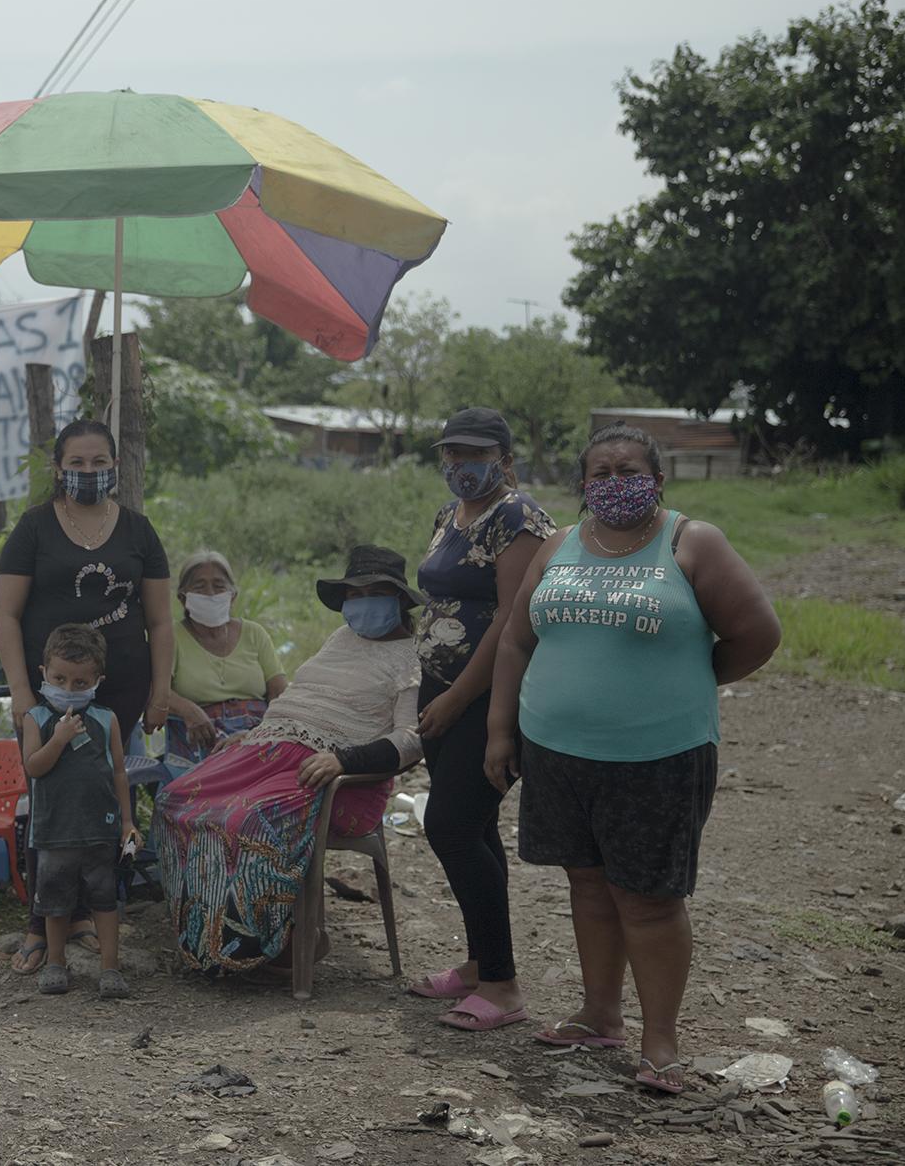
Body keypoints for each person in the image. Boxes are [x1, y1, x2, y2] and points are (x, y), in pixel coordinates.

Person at [487, 423, 778, 1093]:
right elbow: (515, 640)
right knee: (587, 883)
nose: (616, 482)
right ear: (583, 485)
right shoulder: (559, 544)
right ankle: (598, 1011)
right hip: (557, 751)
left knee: (648, 899)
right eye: (601, 472)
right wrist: (501, 730)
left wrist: (686, 680)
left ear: (659, 479)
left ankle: (661, 1043)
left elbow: (757, 634)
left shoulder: (689, 542)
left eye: (629, 469)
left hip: (660, 754)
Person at [156, 546, 423, 975]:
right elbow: (302, 698)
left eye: (375, 592)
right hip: (269, 748)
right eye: (354, 594)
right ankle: (204, 937)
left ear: (400, 600)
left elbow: (412, 739)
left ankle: (273, 941)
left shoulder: (412, 657)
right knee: (175, 799)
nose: (362, 602)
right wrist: (257, 732)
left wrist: (344, 759)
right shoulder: (341, 639)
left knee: (245, 821)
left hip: (334, 777)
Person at [0, 418, 173, 975]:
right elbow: (5, 615)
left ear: (115, 467)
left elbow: (162, 623)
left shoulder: (140, 531)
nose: (89, 472)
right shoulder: (34, 528)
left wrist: (160, 689)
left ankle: (95, 913)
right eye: (77, 463)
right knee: (46, 801)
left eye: (99, 463)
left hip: (116, 693)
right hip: (46, 695)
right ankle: (39, 922)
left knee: (104, 802)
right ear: (59, 468)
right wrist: (23, 692)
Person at [409, 407, 555, 1032]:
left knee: (451, 827)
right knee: (475, 827)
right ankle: (479, 965)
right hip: (439, 689)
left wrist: (459, 698)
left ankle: (503, 986)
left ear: (504, 459)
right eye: (451, 454)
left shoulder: (518, 518)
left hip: (488, 697)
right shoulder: (451, 516)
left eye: (473, 455)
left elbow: (510, 618)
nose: (460, 466)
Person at [20, 624, 134, 998]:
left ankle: (110, 968)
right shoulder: (35, 718)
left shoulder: (106, 719)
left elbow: (119, 771)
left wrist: (127, 822)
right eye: (60, 679)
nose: (69, 690)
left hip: (100, 828)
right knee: (53, 900)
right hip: (55, 829)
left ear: (98, 680)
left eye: (81, 682)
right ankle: (55, 962)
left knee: (104, 899)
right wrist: (59, 739)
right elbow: (34, 767)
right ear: (44, 674)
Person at [163, 549, 288, 771]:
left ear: (232, 596)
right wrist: (189, 710)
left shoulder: (254, 633)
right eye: (200, 587)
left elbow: (279, 693)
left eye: (219, 586)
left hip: (257, 737)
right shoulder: (172, 637)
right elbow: (157, 691)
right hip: (201, 741)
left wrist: (258, 734)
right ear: (183, 598)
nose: (211, 593)